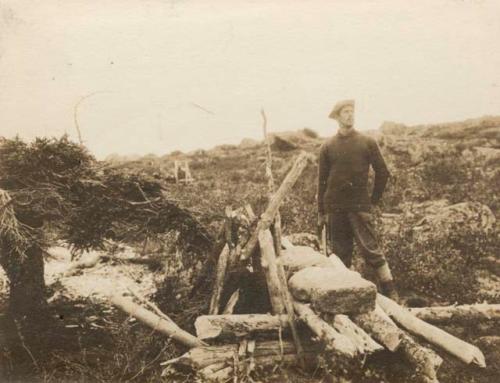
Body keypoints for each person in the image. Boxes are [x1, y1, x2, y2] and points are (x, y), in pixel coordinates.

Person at [317, 99, 399, 300]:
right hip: (335, 208)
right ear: (337, 117)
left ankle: (392, 293)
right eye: (345, 112)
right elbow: (321, 182)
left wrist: (373, 200)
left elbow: (383, 172)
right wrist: (321, 212)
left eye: (352, 111)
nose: (350, 115)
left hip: (359, 206)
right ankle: (345, 298)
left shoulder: (367, 142)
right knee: (340, 254)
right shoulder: (327, 146)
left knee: (371, 250)